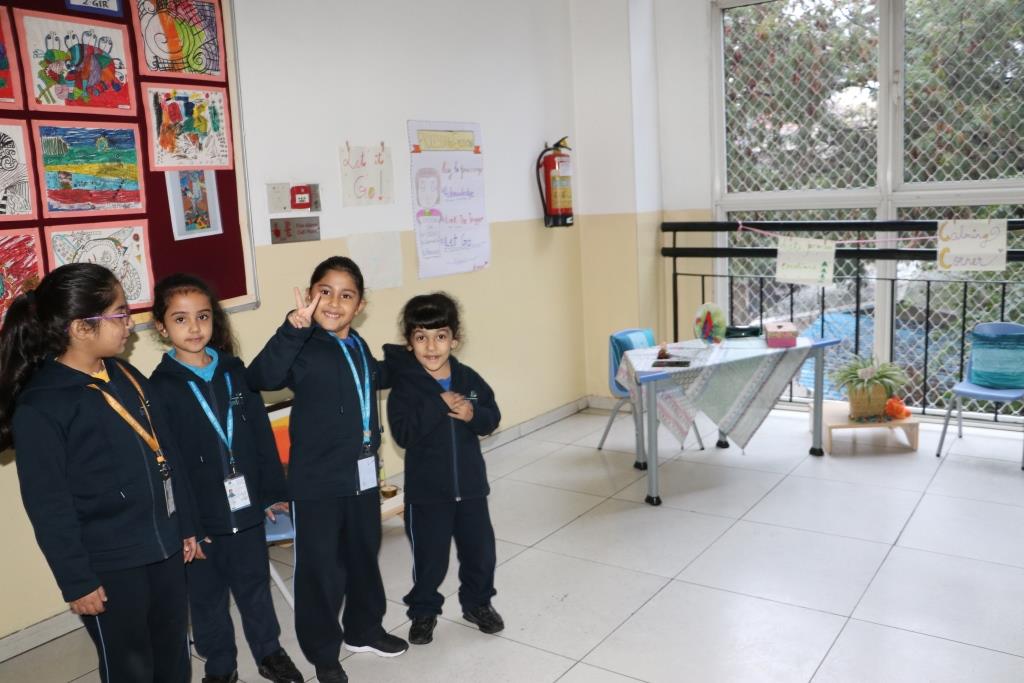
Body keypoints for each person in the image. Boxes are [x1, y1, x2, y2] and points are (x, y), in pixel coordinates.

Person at [0, 263, 199, 682]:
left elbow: (167, 453)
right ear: (81, 328)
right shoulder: (42, 407)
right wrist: (77, 581)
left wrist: (185, 526)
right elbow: (48, 506)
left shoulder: (125, 373)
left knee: (173, 652)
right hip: (110, 564)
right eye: (120, 313)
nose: (130, 323)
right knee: (130, 665)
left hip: (164, 547)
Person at [247, 256, 407, 683]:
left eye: (346, 295)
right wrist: (292, 328)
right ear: (309, 295)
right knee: (320, 570)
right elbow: (260, 377)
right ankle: (323, 653)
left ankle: (364, 629)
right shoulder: (301, 344)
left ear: (360, 305)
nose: (334, 302)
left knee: (363, 555)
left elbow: (371, 378)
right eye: (325, 292)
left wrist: (409, 358)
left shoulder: (358, 345)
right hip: (316, 482)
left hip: (362, 477)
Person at [148, 274, 302, 683]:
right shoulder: (159, 388)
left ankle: (270, 653)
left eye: (202, 316)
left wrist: (272, 492)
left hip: (247, 509)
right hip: (200, 521)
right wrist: (188, 527)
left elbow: (260, 436)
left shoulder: (235, 371)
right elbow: (169, 466)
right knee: (206, 600)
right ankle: (220, 667)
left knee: (255, 587)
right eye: (180, 319)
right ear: (161, 327)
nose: (194, 327)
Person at [383, 292, 503, 646]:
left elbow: (492, 418)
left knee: (480, 553)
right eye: (421, 337)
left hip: (471, 488)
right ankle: (423, 611)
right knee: (429, 560)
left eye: (440, 336)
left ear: (455, 339)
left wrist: (473, 414)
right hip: (427, 494)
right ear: (410, 343)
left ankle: (478, 604)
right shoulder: (405, 387)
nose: (431, 346)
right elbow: (403, 434)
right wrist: (438, 405)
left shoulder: (469, 379)